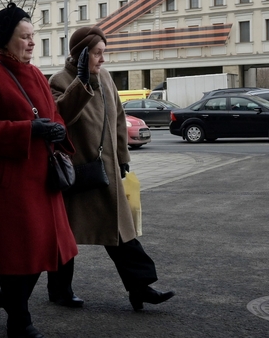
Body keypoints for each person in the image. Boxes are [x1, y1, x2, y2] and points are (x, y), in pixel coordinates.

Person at [0, 3, 78, 338]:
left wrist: (57, 131)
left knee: (48, 249)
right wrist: (29, 131)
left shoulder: (36, 74)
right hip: (9, 185)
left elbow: (52, 116)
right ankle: (19, 319)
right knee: (18, 253)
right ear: (5, 39)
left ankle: (10, 298)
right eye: (24, 37)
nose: (31, 43)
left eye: (33, 36)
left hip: (41, 180)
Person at [48, 26, 175, 312]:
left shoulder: (105, 77)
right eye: (97, 53)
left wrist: (122, 155)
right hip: (78, 174)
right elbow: (61, 117)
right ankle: (59, 290)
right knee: (65, 235)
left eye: (104, 53)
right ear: (81, 54)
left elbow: (117, 117)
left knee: (121, 231)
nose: (103, 59)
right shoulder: (60, 80)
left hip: (106, 170)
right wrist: (81, 81)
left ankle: (140, 288)